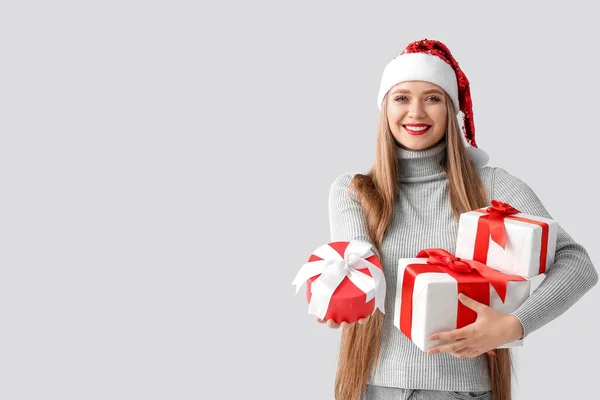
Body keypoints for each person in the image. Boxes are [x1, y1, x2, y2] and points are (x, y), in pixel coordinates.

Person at [322, 38, 598, 400]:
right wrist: (337, 291)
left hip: (462, 392)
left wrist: (513, 325)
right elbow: (356, 262)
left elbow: (576, 263)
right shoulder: (354, 191)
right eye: (401, 97)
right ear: (385, 108)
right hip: (374, 388)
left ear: (452, 110)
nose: (416, 112)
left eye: (432, 98)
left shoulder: (492, 186)